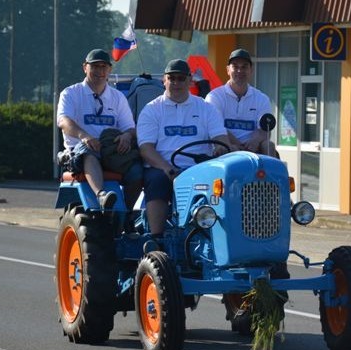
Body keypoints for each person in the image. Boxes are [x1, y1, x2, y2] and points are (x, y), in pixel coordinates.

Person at [137, 59, 231, 238]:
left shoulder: (206, 108)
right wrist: (166, 167)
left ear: (190, 81)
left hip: (199, 167)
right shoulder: (152, 110)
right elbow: (146, 149)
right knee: (157, 180)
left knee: (226, 184)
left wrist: (220, 149)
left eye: (181, 78)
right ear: (163, 81)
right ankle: (157, 239)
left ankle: (222, 236)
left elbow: (221, 139)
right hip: (163, 168)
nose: (176, 83)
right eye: (171, 78)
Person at [57, 49, 142, 210]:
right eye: (95, 66)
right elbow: (63, 121)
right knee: (88, 151)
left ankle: (127, 214)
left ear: (109, 70)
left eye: (104, 67)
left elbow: (130, 128)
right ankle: (101, 195)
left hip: (110, 150)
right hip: (79, 152)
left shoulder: (118, 97)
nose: (99, 71)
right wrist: (84, 136)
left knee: (137, 170)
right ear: (85, 68)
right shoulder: (71, 93)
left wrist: (126, 136)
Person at [205, 48, 277, 156]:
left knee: (269, 145)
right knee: (222, 147)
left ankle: (271, 173)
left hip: (253, 150)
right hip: (226, 148)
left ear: (251, 70)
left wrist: (254, 142)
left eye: (244, 67)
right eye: (235, 66)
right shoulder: (214, 96)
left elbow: (265, 129)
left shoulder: (262, 98)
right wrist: (235, 146)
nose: (240, 71)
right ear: (228, 70)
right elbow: (216, 129)